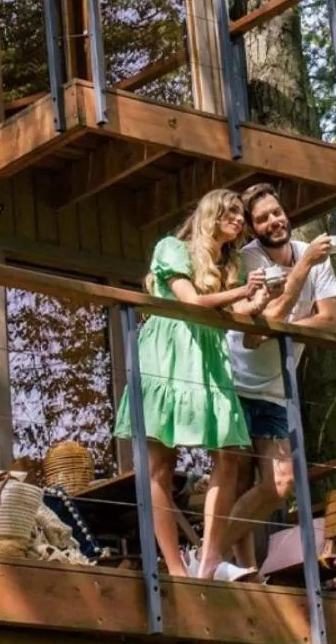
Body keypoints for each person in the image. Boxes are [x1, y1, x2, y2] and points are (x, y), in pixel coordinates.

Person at [113, 189, 268, 580]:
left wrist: (260, 299)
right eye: (231, 211)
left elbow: (236, 312)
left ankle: (210, 559)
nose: (238, 218)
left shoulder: (228, 264)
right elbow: (188, 301)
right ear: (211, 213)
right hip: (169, 352)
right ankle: (176, 566)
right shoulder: (172, 248)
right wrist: (241, 293)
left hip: (209, 356)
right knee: (159, 464)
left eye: (240, 214)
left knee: (230, 454)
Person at [218, 183, 336, 566]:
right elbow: (258, 332)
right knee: (236, 479)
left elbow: (330, 320)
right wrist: (302, 272)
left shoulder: (314, 254)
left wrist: (286, 325)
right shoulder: (250, 261)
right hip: (234, 381)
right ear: (253, 229)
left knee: (279, 484)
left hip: (275, 388)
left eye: (276, 212)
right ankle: (241, 570)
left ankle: (209, 552)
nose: (273, 221)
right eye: (262, 219)